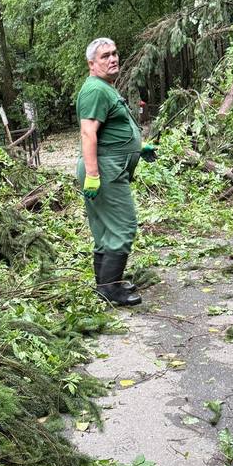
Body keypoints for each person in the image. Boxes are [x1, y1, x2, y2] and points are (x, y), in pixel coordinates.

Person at [75, 38, 156, 307]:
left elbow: (111, 130)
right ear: (91, 64)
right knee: (123, 225)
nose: (113, 59)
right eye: (105, 56)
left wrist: (137, 147)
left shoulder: (104, 87)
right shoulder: (95, 90)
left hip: (109, 166)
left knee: (105, 230)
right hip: (105, 169)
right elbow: (88, 133)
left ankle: (106, 285)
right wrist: (93, 175)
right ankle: (111, 288)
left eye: (114, 53)